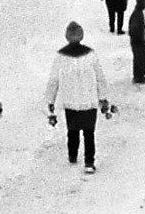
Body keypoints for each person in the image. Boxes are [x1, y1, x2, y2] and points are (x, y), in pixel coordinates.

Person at [46, 22, 110, 174]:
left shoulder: (61, 56)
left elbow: (53, 81)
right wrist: (103, 97)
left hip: (70, 100)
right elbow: (100, 77)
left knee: (72, 130)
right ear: (81, 35)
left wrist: (50, 101)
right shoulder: (91, 54)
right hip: (89, 100)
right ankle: (89, 161)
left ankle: (73, 154)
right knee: (89, 133)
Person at [128, 0, 145, 84]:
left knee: (141, 57)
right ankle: (139, 76)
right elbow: (134, 28)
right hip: (137, 40)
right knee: (142, 57)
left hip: (138, 39)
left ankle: (139, 75)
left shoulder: (138, 12)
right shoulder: (137, 14)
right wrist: (138, 38)